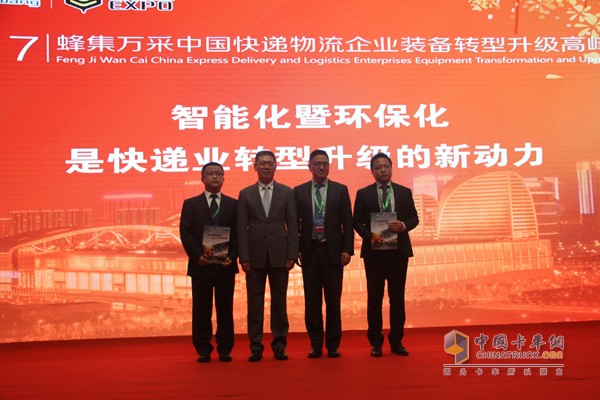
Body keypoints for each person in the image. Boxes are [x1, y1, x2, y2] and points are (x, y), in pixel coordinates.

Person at [353, 152, 419, 357]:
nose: (383, 170)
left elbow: (414, 218)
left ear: (391, 168)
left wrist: (404, 226)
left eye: (386, 166)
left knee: (397, 299)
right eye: (378, 167)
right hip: (374, 253)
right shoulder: (363, 194)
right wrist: (371, 236)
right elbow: (356, 221)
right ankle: (376, 342)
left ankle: (397, 341)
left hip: (398, 252)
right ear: (372, 171)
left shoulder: (403, 192)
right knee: (374, 300)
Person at [237, 150, 299, 361]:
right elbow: (241, 228)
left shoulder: (287, 192)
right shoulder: (245, 194)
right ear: (255, 166)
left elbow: (292, 225)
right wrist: (244, 257)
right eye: (262, 163)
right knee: (254, 304)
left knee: (279, 303)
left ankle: (279, 345)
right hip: (254, 258)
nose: (266, 166)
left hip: (280, 256)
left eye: (269, 163)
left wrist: (292, 253)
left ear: (275, 166)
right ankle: (255, 346)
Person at [293, 149, 353, 358]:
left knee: (333, 301)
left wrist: (347, 249)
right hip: (310, 252)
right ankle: (316, 344)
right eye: (317, 163)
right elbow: (294, 224)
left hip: (332, 252)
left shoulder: (340, 190)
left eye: (325, 164)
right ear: (309, 166)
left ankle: (333, 345)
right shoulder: (299, 191)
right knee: (312, 302)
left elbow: (347, 222)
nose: (321, 167)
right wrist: (296, 249)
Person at [179, 162, 238, 363]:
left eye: (218, 174)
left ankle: (225, 349)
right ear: (202, 178)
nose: (214, 177)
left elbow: (239, 234)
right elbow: (185, 233)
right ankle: (203, 349)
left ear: (223, 178)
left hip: (225, 266)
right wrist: (197, 255)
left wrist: (233, 255)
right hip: (201, 266)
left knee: (225, 309)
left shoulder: (233, 204)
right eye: (210, 174)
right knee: (201, 309)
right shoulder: (191, 204)